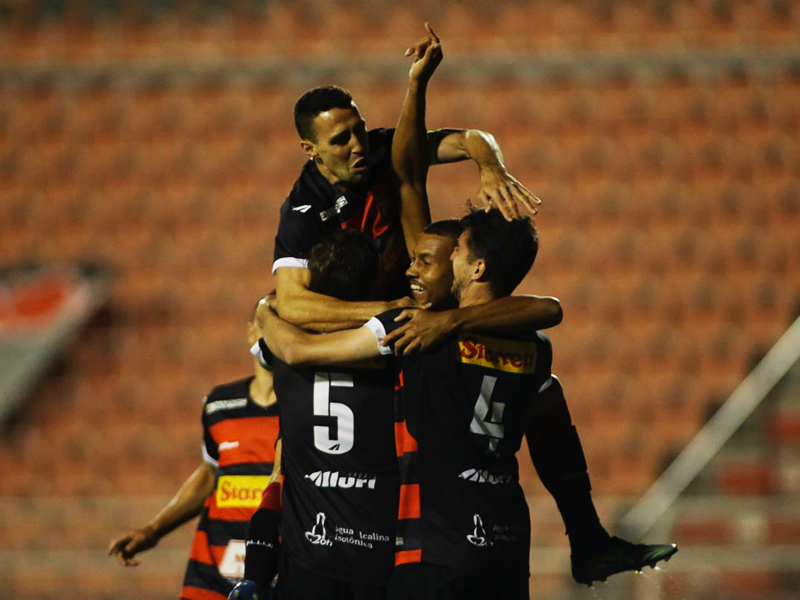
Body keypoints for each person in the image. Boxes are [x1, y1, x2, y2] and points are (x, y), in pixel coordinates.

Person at [272, 23, 543, 333]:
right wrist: (387, 310)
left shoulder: (386, 151)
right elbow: (292, 303)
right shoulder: (304, 209)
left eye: (360, 129)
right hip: (372, 320)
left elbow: (471, 139)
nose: (358, 145)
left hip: (422, 296)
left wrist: (492, 168)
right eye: (340, 140)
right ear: (310, 149)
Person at [108, 311, 281, 600]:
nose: (276, 332)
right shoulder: (218, 404)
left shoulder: (309, 406)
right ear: (251, 332)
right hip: (210, 570)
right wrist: (154, 530)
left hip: (274, 569)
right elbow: (209, 474)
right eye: (269, 322)